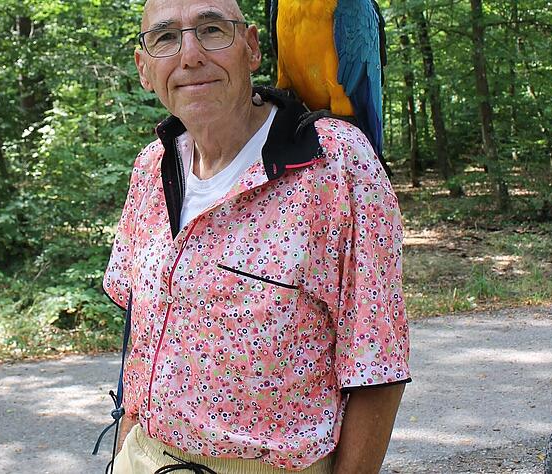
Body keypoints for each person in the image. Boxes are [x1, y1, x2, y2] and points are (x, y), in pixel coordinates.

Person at [101, 0, 411, 472]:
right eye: (166, 38)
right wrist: (123, 450)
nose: (190, 56)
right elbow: (140, 335)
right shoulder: (150, 167)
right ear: (144, 69)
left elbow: (378, 363)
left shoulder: (340, 165)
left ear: (252, 48)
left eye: (211, 30)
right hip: (143, 457)